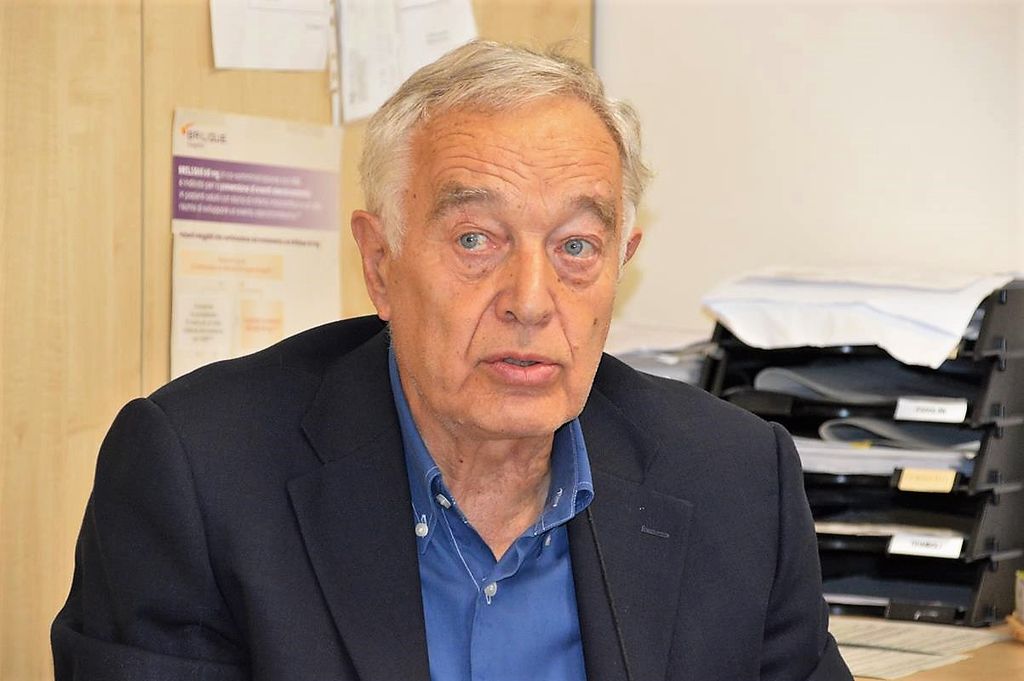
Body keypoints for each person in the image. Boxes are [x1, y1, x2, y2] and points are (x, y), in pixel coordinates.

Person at [52, 40, 852, 681]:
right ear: (380, 265)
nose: (531, 300)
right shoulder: (198, 476)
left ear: (622, 262)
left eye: (577, 247)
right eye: (476, 239)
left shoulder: (736, 482)